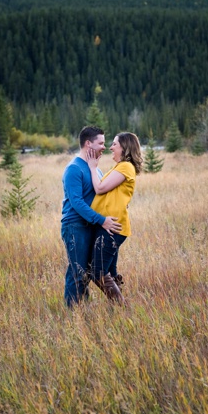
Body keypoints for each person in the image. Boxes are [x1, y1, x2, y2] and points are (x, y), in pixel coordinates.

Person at [61, 126, 121, 307]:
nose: (104, 146)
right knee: (77, 271)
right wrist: (102, 220)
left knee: (89, 271)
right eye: (101, 143)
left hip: (92, 226)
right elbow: (77, 202)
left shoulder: (95, 169)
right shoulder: (73, 169)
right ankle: (73, 313)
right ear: (88, 144)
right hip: (75, 226)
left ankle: (83, 309)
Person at [86, 132, 143, 305]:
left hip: (113, 226)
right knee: (108, 270)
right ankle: (118, 310)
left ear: (124, 147)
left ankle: (121, 306)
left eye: (114, 144)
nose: (111, 147)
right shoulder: (120, 166)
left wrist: (92, 167)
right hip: (109, 225)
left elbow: (101, 188)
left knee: (97, 271)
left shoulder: (125, 166)